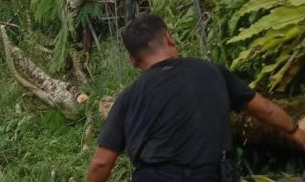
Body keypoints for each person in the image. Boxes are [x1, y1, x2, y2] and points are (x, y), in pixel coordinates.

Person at [86, 14, 305, 182]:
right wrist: (295, 131)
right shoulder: (212, 72)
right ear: (169, 38)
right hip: (212, 175)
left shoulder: (129, 96)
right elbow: (264, 109)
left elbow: (101, 163)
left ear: (133, 61)